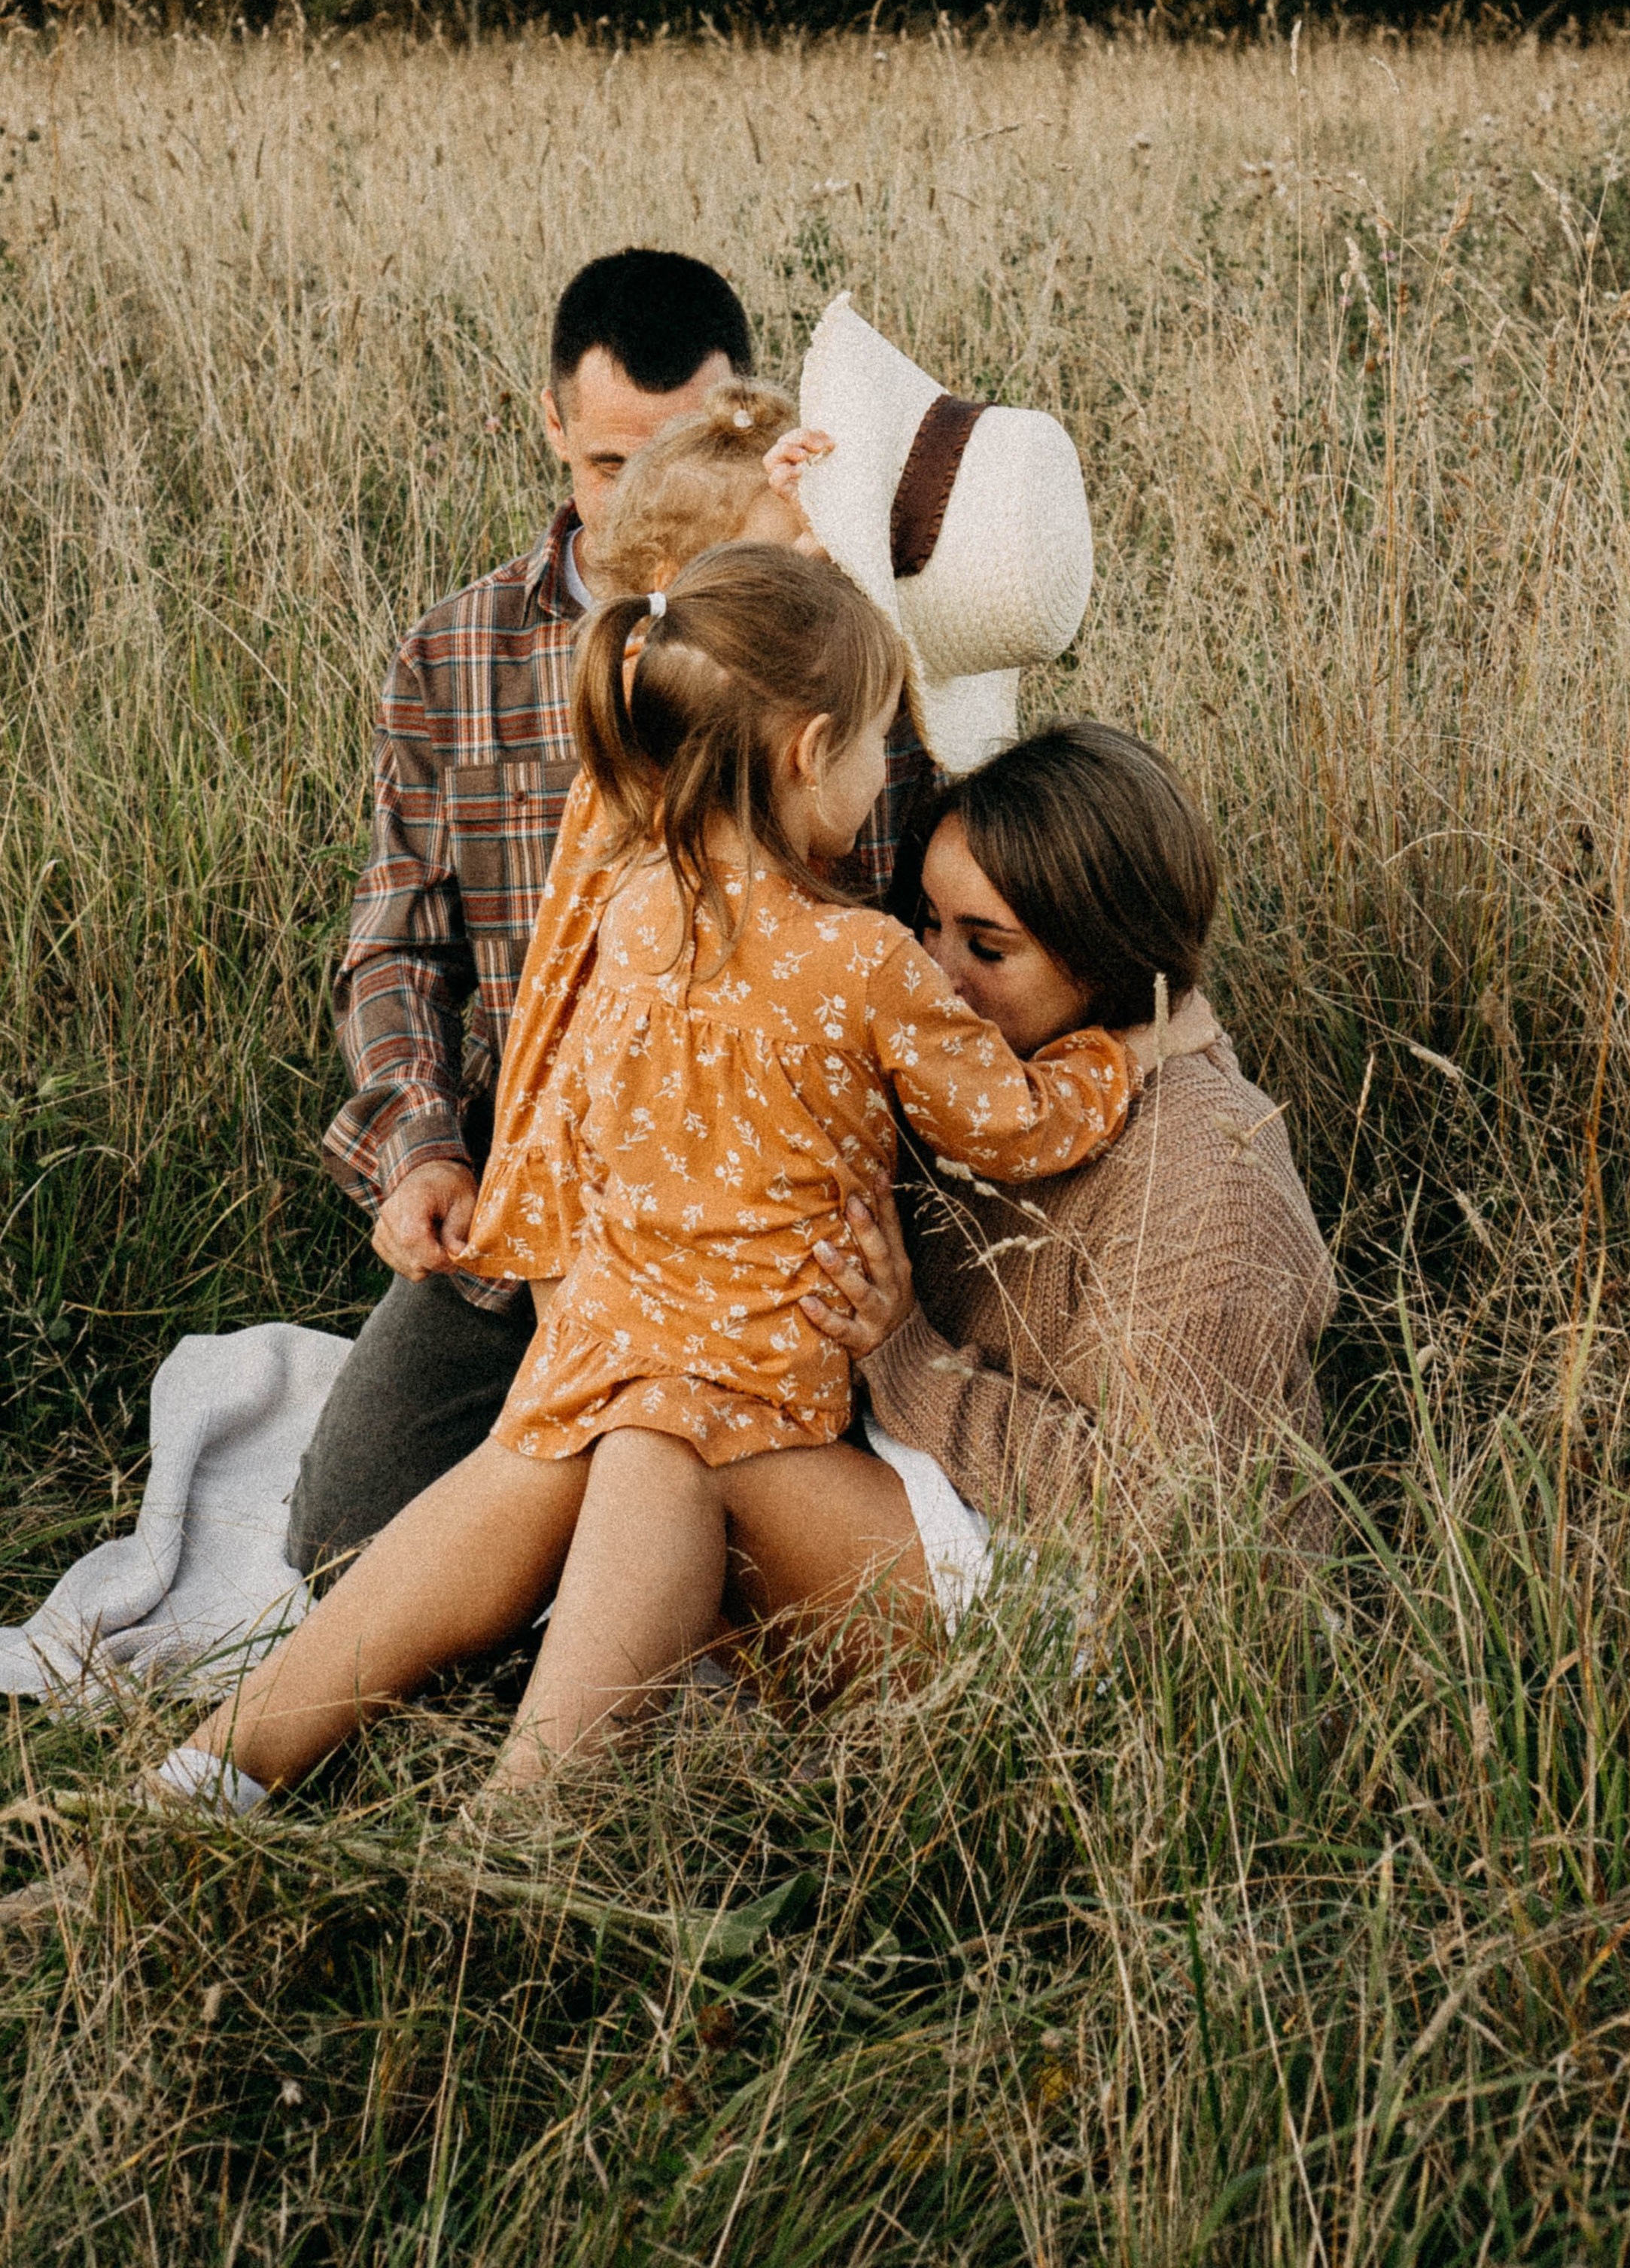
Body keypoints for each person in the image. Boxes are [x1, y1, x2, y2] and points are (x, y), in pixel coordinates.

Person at [156, 549, 1161, 1809]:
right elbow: (1012, 1127)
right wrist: (1116, 1057)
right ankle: (515, 1837)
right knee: (651, 1448)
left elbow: (566, 1051)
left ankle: (218, 1765)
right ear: (807, 752)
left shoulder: (628, 901)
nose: (883, 775)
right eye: (875, 744)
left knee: (530, 1471)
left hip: (609, 1331)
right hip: (751, 1377)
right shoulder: (864, 961)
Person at [287, 265, 925, 1578]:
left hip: (759, 1210)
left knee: (755, 1530)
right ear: (551, 429)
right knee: (344, 1546)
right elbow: (397, 940)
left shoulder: (849, 660)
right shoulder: (457, 652)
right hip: (529, 1190)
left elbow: (905, 922)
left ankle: (620, 1567)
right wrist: (419, 1151)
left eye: (680, 469)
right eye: (607, 467)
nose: (646, 512)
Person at [719, 722, 1336, 1627]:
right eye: (925, 925)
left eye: (987, 948)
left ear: (1106, 956)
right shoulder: (985, 1082)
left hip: (1106, 1623)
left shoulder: (1205, 1176)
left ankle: (547, 1749)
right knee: (653, 1421)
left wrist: (908, 1355)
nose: (932, 977)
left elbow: (1171, 1526)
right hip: (940, 1490)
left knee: (705, 1460)